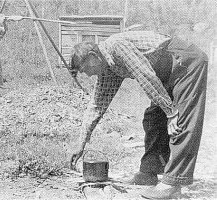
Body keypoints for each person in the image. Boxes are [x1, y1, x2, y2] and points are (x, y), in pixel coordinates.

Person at [69, 31, 208, 199]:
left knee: (181, 122)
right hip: (165, 74)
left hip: (185, 62)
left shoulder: (116, 47)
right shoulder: (107, 67)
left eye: (86, 69)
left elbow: (146, 76)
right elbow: (96, 106)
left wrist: (171, 113)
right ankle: (149, 173)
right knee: (153, 119)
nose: (89, 75)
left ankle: (173, 183)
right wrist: (80, 143)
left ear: (93, 55)